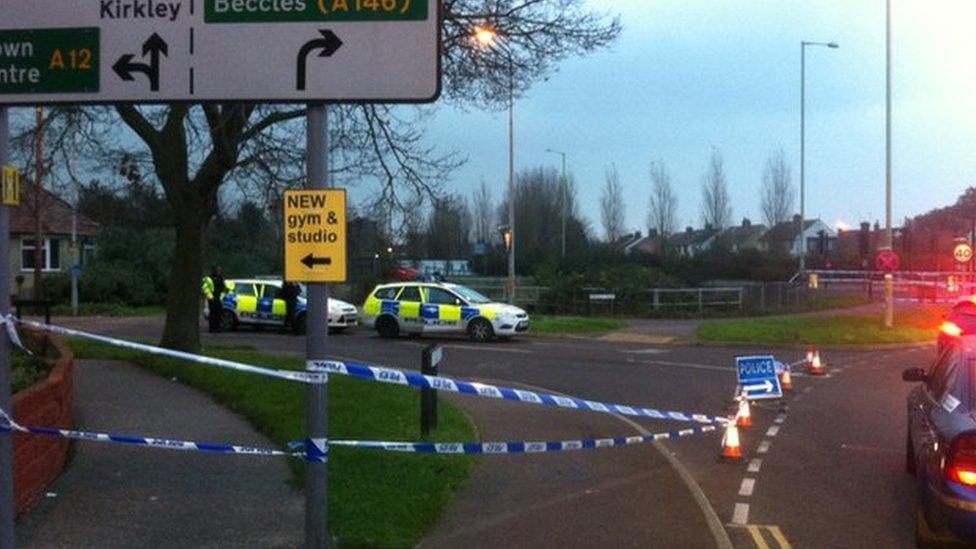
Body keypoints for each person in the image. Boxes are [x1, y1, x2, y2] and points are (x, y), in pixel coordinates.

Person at [206, 266, 227, 333]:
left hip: (218, 298)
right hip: (212, 298)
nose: (219, 271)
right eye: (217, 270)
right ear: (214, 270)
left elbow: (223, 288)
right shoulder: (209, 278)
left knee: (218, 313)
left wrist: (222, 296)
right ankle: (212, 328)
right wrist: (211, 297)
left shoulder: (220, 278)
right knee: (212, 314)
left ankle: (217, 327)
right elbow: (205, 288)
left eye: (220, 270)